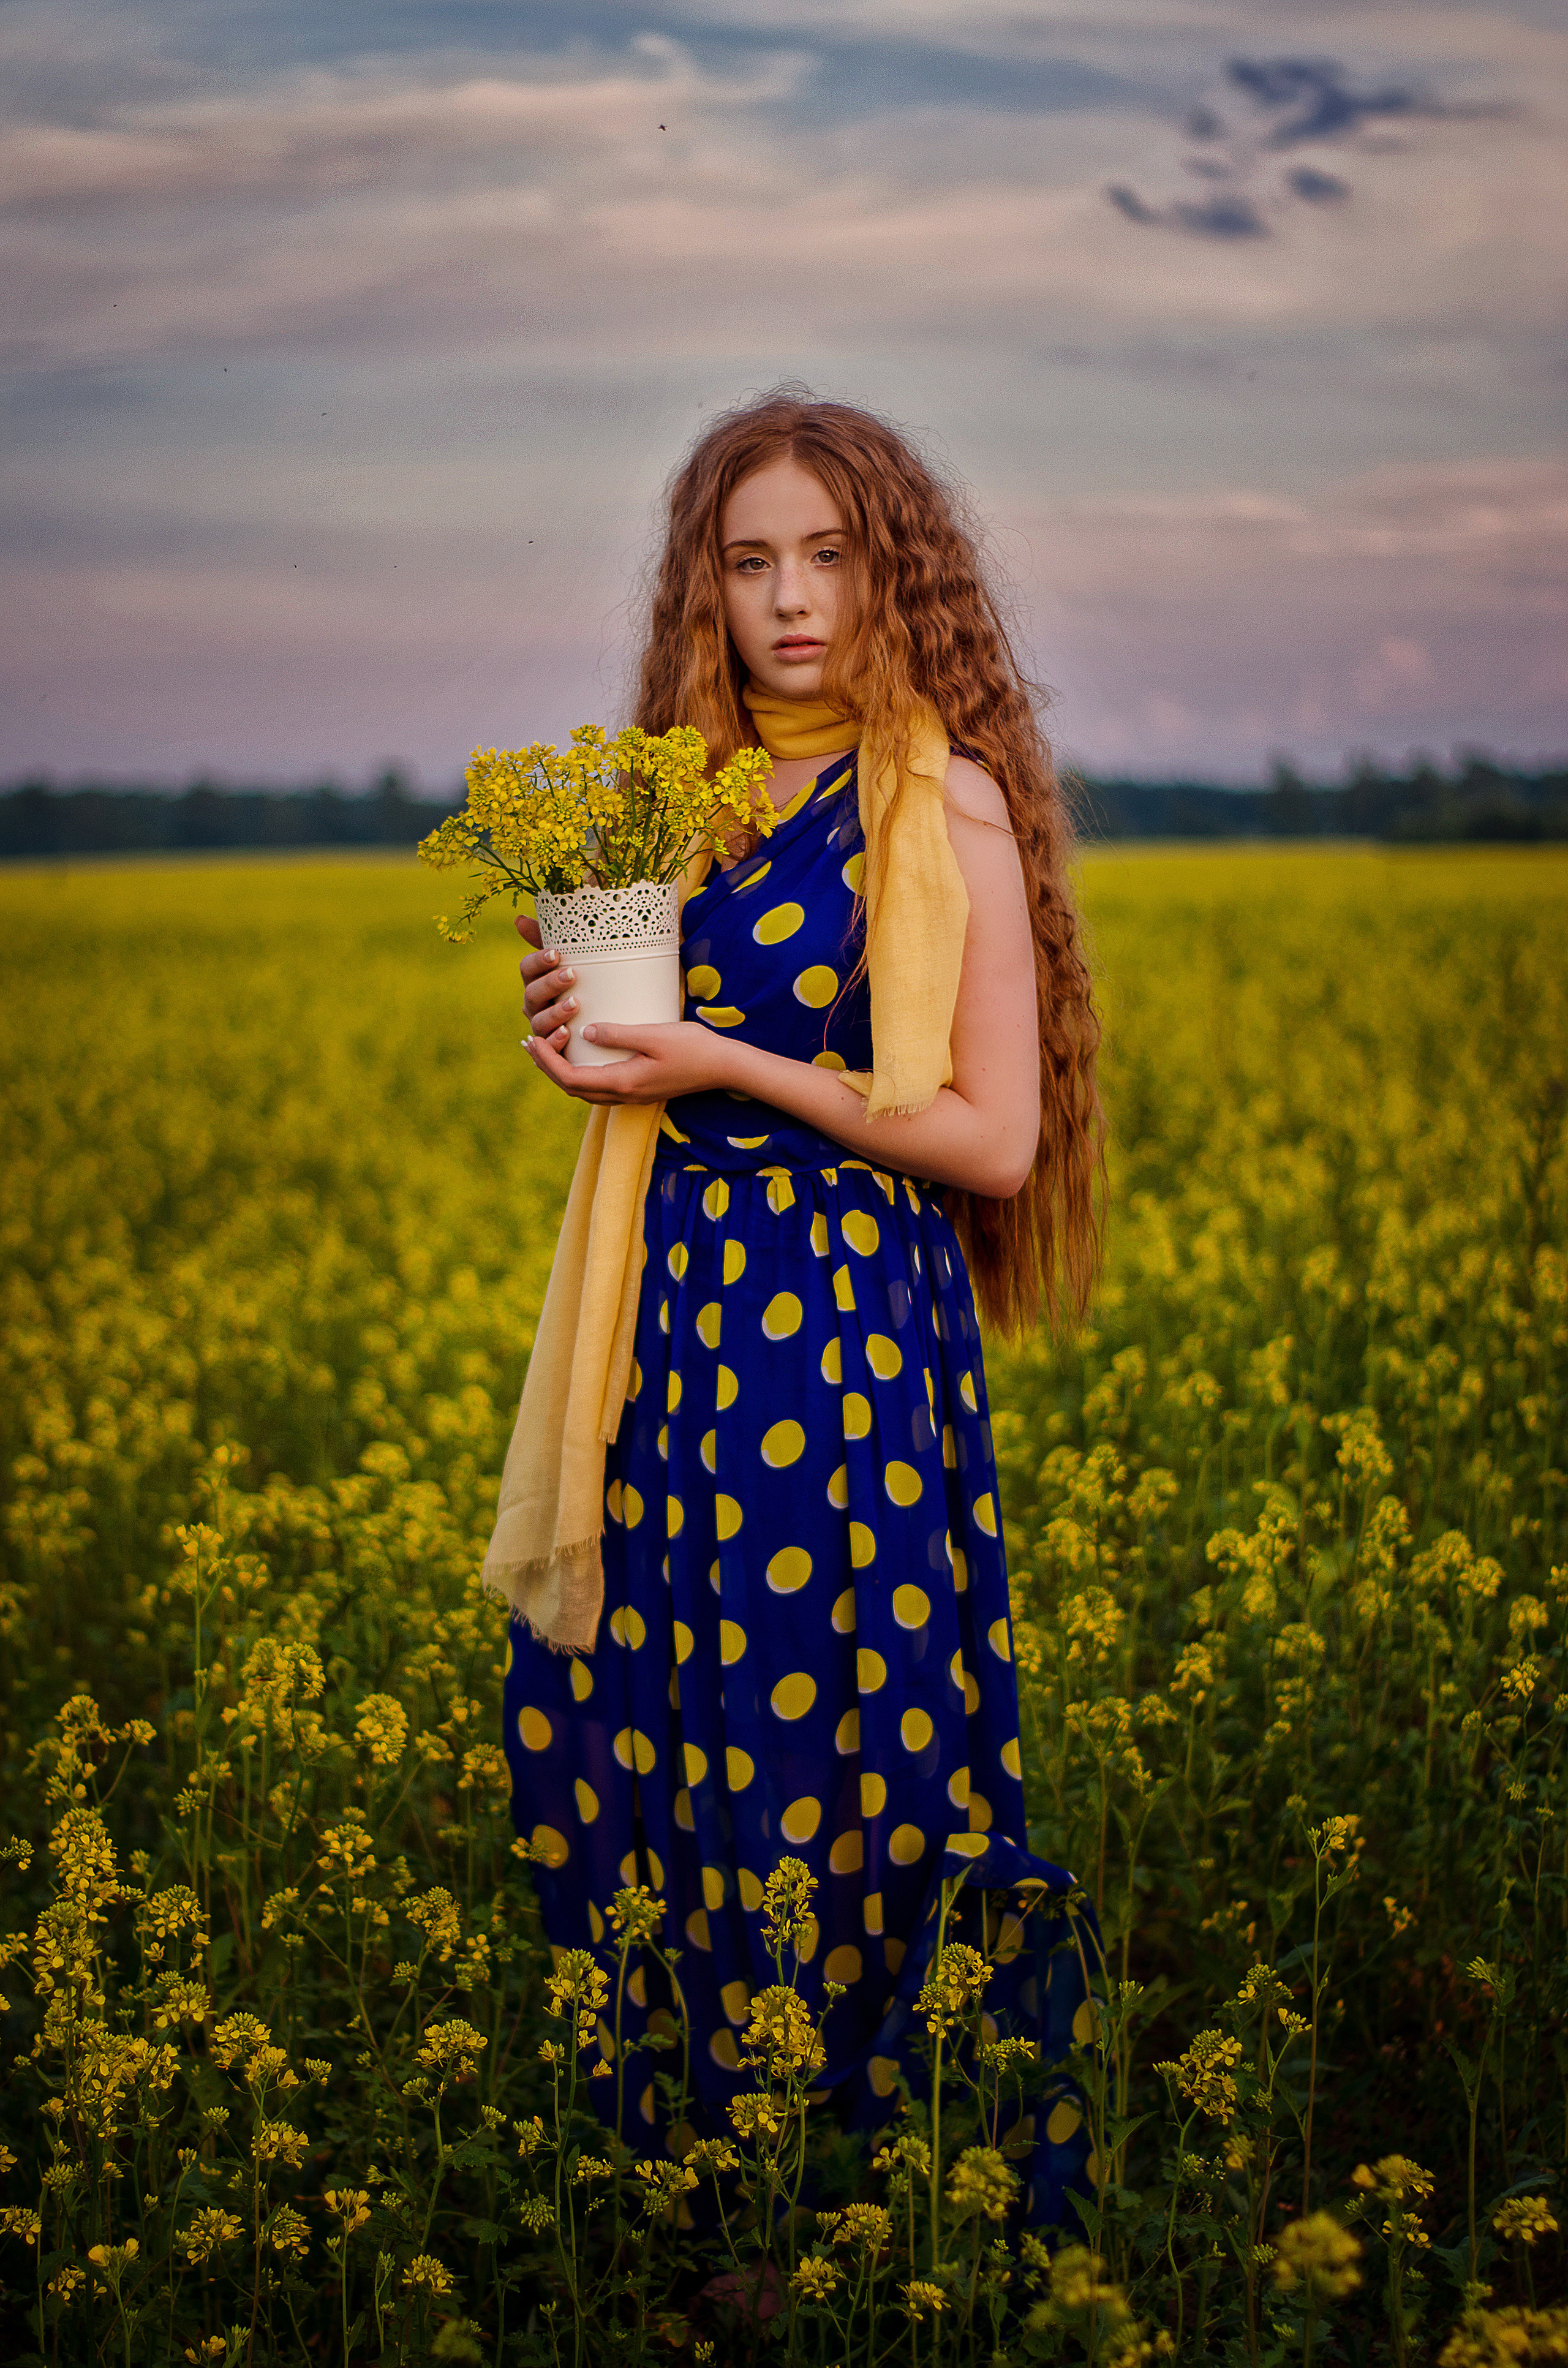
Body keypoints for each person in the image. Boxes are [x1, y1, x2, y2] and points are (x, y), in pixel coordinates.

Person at [497, 391, 1103, 2227]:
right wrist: (583, 1032)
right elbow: (648, 1058)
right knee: (658, 1707)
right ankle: (700, 2190)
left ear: (892, 571)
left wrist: (724, 1058)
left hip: (841, 1333)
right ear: (706, 584)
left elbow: (993, 1139)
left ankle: (868, 2182)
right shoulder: (662, 805)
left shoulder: (944, 799)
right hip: (671, 1319)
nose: (790, 600)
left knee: (822, 1729)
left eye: (829, 557)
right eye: (750, 561)